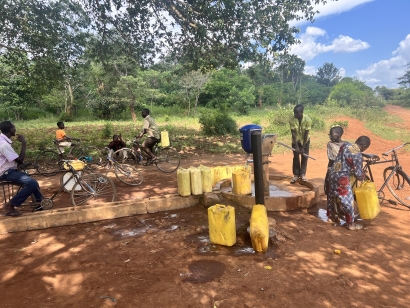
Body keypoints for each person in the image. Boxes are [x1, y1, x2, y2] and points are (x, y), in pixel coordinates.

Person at [0, 121, 43, 216]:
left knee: (30, 180)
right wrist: (24, 143)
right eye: (14, 128)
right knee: (32, 183)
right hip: (5, 172)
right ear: (11, 130)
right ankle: (10, 205)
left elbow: (12, 160)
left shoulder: (2, 141)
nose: (15, 129)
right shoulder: (4, 145)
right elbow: (20, 160)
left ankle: (40, 203)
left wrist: (22, 165)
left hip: (8, 169)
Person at [328, 136, 371, 230]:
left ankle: (332, 217)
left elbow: (344, 159)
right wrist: (363, 176)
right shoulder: (357, 154)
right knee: (348, 200)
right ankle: (351, 224)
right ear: (364, 146)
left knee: (331, 196)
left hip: (332, 173)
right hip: (342, 178)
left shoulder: (346, 144)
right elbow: (358, 174)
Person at [324, 126, 345, 217]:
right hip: (332, 170)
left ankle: (340, 209)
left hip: (342, 172)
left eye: (331, 134)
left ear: (339, 135)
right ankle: (331, 212)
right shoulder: (330, 144)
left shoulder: (347, 144)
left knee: (342, 192)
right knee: (330, 192)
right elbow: (332, 158)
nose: (330, 136)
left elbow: (356, 153)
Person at [289, 104, 312, 183]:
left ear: (301, 112)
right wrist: (296, 145)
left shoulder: (308, 120)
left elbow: (306, 134)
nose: (295, 114)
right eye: (294, 113)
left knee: (304, 157)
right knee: (295, 157)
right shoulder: (292, 120)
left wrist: (303, 148)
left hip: (305, 141)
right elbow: (293, 133)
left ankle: (302, 174)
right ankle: (296, 174)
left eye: (296, 113)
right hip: (295, 141)